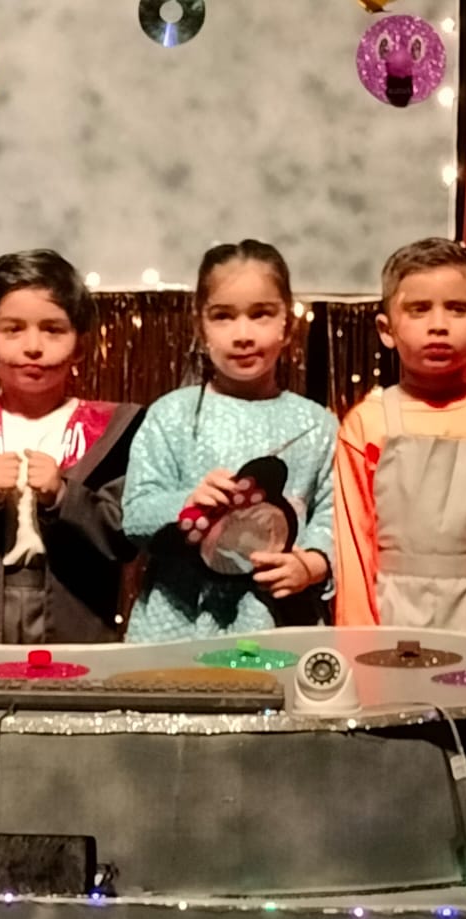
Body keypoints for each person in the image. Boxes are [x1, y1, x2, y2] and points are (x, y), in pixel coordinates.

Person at [122, 240, 337, 642]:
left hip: (277, 622)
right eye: (223, 316)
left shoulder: (316, 424)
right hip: (176, 624)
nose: (243, 335)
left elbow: (334, 515)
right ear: (199, 325)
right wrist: (187, 502)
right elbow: (135, 514)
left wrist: (311, 564)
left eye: (261, 314)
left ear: (288, 323)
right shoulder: (171, 415)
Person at [0, 249, 142, 643]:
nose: (33, 346)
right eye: (13, 329)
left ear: (80, 346)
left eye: (53, 329)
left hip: (75, 620)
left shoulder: (114, 431)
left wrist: (65, 497)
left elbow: (126, 535)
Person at [332, 238, 466, 639]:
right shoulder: (367, 424)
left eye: (457, 309)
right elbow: (354, 549)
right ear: (386, 329)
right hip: (389, 616)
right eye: (419, 309)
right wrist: (360, 645)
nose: (438, 324)